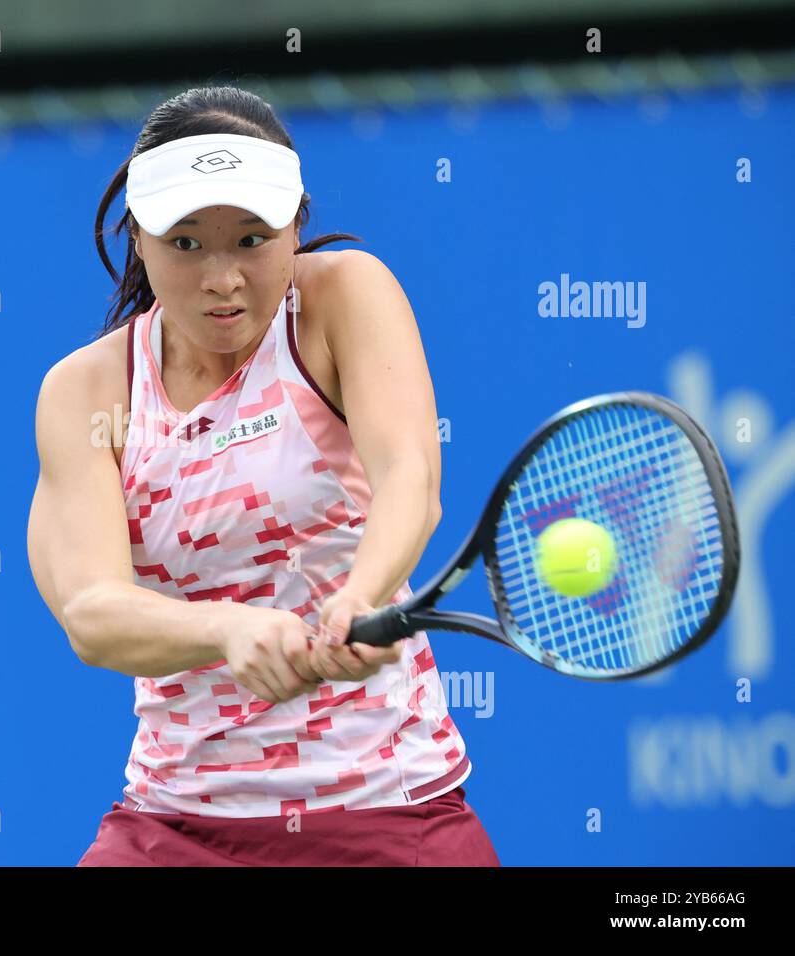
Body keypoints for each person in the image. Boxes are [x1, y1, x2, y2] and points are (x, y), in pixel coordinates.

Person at [27, 85, 499, 866]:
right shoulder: (86, 390)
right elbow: (91, 613)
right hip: (172, 826)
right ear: (139, 238)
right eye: (186, 243)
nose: (222, 278)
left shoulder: (343, 297)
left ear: (295, 229)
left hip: (382, 811)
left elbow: (408, 476)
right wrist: (229, 628)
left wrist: (361, 595)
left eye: (251, 239)